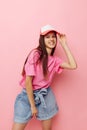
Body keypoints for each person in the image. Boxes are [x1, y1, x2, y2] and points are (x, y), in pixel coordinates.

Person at [12, 24, 77, 130]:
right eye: (47, 37)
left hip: (45, 94)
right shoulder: (35, 54)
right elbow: (28, 82)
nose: (51, 39)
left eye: (53, 37)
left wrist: (64, 44)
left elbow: (73, 66)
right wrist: (32, 106)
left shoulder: (55, 60)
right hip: (28, 95)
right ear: (42, 40)